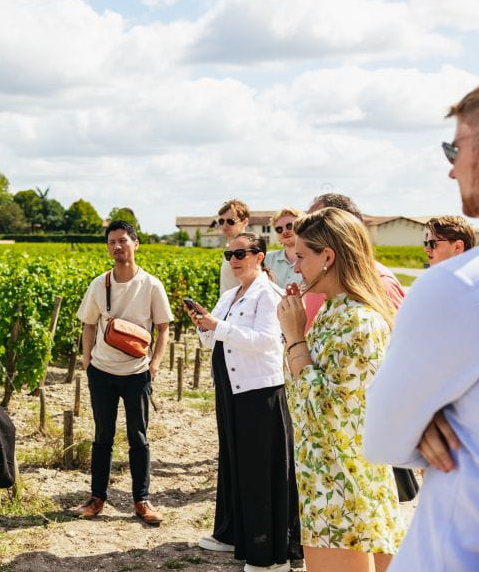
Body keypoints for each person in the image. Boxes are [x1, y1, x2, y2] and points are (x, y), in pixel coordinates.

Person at [364, 85, 479, 571]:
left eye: (456, 147)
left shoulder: (454, 289)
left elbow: (383, 438)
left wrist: (424, 415)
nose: (451, 167)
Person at [276, 208, 405, 572]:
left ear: (327, 257)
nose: (296, 266)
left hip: (342, 485)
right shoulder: (335, 310)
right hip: (331, 479)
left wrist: (294, 336)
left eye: (301, 256)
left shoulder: (358, 322)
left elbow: (330, 412)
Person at [189, 233, 300, 572]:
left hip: (259, 392)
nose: (233, 259)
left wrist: (217, 326)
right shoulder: (229, 294)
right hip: (231, 389)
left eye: (240, 253)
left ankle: (272, 553)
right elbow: (212, 340)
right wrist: (203, 325)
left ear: (259, 256)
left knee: (260, 470)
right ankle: (234, 533)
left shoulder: (268, 295)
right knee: (235, 462)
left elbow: (268, 341)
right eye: (229, 254)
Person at [74, 220, 173, 525]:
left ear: (135, 244)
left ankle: (141, 500)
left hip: (137, 372)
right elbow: (88, 323)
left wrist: (155, 363)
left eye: (122, 241)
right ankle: (97, 498)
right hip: (102, 372)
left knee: (138, 437)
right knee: (102, 436)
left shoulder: (151, 285)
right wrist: (87, 360)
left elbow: (163, 326)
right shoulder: (99, 284)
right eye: (112, 243)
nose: (117, 247)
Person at [301, 193, 405, 331]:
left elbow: (401, 339)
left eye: (315, 224)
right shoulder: (316, 279)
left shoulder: (381, 283)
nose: (304, 230)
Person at [216, 199, 251, 295]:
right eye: (221, 221)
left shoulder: (249, 250)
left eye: (230, 221)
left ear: (245, 222)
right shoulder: (230, 248)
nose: (224, 225)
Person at [265, 208, 304, 290]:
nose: (284, 231)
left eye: (290, 226)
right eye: (279, 229)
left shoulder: (315, 259)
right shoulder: (266, 259)